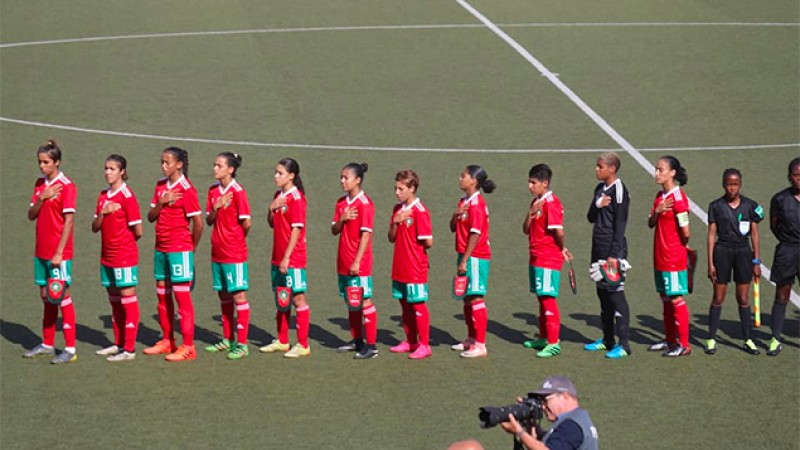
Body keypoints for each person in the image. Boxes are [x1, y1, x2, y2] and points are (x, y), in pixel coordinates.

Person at [144, 146, 204, 362]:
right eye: (162, 162)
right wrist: (162, 201)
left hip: (179, 249)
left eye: (168, 162)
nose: (163, 166)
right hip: (160, 248)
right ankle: (168, 340)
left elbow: (198, 223)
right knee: (162, 295)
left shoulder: (187, 189)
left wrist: (191, 247)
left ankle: (188, 346)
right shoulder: (160, 186)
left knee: (182, 298)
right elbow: (151, 217)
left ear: (179, 164)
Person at [23, 139, 79, 364]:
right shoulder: (40, 184)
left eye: (46, 162)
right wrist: (41, 197)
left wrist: (59, 252)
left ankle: (70, 349)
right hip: (41, 251)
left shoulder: (67, 186)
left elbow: (69, 222)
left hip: (58, 254)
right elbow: (31, 214)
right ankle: (47, 344)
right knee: (46, 296)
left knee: (62, 297)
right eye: (40, 162)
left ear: (57, 162)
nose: (42, 166)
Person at [705, 168, 763, 355]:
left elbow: (754, 234)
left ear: (740, 184)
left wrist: (756, 261)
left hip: (743, 253)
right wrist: (710, 263)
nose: (732, 188)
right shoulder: (715, 206)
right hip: (722, 252)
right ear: (723, 185)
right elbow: (711, 235)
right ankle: (711, 338)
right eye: (729, 184)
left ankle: (748, 339)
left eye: (735, 184)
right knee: (718, 297)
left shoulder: (750, 205)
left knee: (743, 299)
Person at [91, 154, 143, 362]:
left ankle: (129, 349)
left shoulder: (127, 196)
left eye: (112, 169)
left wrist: (124, 246)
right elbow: (94, 227)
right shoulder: (103, 196)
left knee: (127, 300)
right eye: (106, 168)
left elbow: (138, 230)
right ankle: (118, 343)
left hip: (124, 256)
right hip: (107, 257)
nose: (107, 172)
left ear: (122, 172)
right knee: (114, 301)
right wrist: (103, 213)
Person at [259, 158, 312, 358]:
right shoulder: (278, 196)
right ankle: (282, 340)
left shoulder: (296, 198)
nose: (276, 176)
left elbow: (297, 229)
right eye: (276, 172)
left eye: (280, 173)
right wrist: (270, 208)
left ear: (291, 176)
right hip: (277, 255)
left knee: (298, 298)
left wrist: (287, 257)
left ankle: (303, 344)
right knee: (281, 299)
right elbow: (272, 223)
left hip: (293, 258)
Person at [584, 152, 632, 359]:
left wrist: (614, 254)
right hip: (598, 249)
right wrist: (597, 204)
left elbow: (621, 224)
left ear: (612, 169)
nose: (596, 169)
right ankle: (607, 339)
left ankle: (624, 345)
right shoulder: (599, 189)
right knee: (602, 294)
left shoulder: (620, 191)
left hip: (613, 251)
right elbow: (590, 217)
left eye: (600, 166)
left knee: (615, 295)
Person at [204, 152, 252, 360]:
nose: (215, 169)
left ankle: (242, 344)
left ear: (230, 169)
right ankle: (227, 338)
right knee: (223, 295)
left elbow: (247, 223)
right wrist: (216, 207)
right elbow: (209, 220)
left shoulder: (238, 192)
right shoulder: (213, 191)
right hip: (217, 252)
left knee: (238, 296)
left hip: (234, 253)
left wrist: (235, 240)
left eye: (219, 165)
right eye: (214, 165)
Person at [522, 164, 572, 358]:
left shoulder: (552, 203)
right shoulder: (536, 202)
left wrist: (561, 249)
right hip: (535, 256)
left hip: (548, 257)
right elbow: (525, 229)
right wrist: (531, 213)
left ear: (545, 183)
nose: (529, 186)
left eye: (533, 182)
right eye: (529, 181)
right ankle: (543, 337)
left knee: (548, 298)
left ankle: (553, 342)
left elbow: (559, 231)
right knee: (541, 298)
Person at [332, 162, 379, 359]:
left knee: (364, 301)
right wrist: (342, 219)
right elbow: (334, 230)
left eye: (346, 177)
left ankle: (372, 346)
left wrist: (357, 261)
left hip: (358, 264)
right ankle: (357, 340)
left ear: (357, 180)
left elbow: (366, 235)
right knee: (351, 302)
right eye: (341, 177)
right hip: (343, 261)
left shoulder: (365, 204)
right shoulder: (341, 203)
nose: (342, 181)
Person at [647, 155, 692, 357]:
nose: (657, 173)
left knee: (675, 298)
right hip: (660, 256)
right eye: (656, 169)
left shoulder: (679, 199)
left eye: (661, 170)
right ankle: (670, 340)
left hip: (673, 258)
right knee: (665, 298)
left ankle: (684, 345)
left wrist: (678, 248)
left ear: (672, 173)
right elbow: (650, 223)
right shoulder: (659, 196)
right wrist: (657, 211)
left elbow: (686, 231)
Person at [450, 165, 495, 358]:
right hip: (464, 254)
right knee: (467, 298)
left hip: (475, 256)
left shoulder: (477, 204)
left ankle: (481, 344)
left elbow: (475, 235)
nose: (460, 179)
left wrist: (465, 260)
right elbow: (453, 227)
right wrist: (457, 213)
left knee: (476, 297)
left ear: (473, 181)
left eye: (463, 176)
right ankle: (470, 339)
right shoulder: (464, 202)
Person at [388, 169, 434, 360]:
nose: (397, 192)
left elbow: (428, 242)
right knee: (405, 305)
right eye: (395, 188)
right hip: (400, 266)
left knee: (418, 305)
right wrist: (395, 223)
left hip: (415, 266)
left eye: (401, 189)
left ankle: (424, 345)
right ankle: (411, 341)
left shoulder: (420, 211)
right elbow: (391, 238)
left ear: (412, 188)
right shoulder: (397, 210)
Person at [500, 376, 599, 450]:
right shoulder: (577, 419)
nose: (543, 406)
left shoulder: (572, 425)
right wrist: (531, 423)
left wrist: (519, 432)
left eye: (545, 400)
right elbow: (547, 444)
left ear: (564, 397)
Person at [766, 157, 800, 356]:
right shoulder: (779, 199)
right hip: (786, 251)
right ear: (789, 177)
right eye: (796, 175)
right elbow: (773, 225)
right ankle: (775, 338)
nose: (799, 179)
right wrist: (787, 241)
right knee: (782, 295)